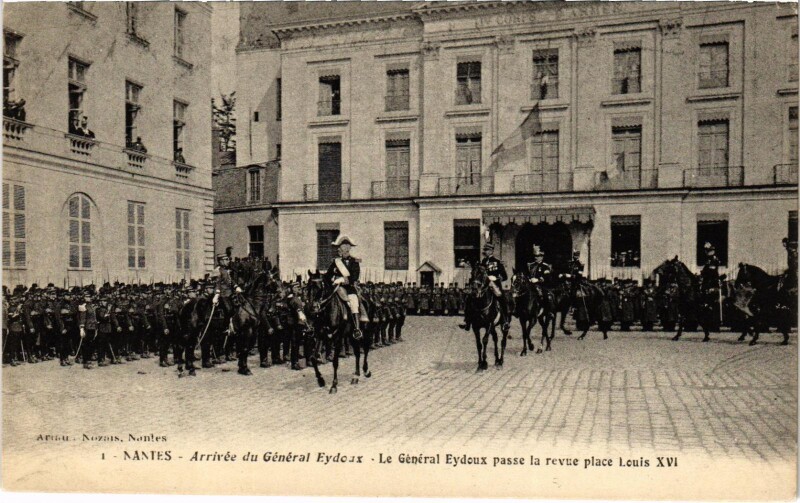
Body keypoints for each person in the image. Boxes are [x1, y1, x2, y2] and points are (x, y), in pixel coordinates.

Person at [323, 235, 368, 339]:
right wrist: (331, 279)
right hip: (336, 288)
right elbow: (328, 275)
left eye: (347, 246)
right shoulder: (335, 262)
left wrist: (343, 280)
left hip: (349, 288)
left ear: (350, 248)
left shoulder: (355, 261)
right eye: (343, 246)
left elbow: (355, 276)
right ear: (340, 248)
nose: (345, 248)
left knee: (353, 302)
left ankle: (357, 329)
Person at [461, 242, 510, 332]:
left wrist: (496, 278)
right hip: (483, 286)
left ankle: (505, 321)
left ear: (491, 251)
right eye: (485, 250)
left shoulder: (497, 262)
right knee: (469, 298)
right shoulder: (483, 262)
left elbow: (505, 276)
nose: (485, 252)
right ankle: (467, 321)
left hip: (494, 286)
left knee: (502, 299)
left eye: (487, 250)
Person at [212, 253, 242, 333]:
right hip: (222, 295)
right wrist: (217, 294)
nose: (228, 261)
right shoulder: (217, 270)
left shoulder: (226, 270)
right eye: (226, 259)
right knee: (229, 309)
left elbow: (231, 281)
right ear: (220, 261)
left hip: (230, 294)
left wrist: (236, 286)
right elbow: (217, 283)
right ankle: (225, 327)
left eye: (228, 259)